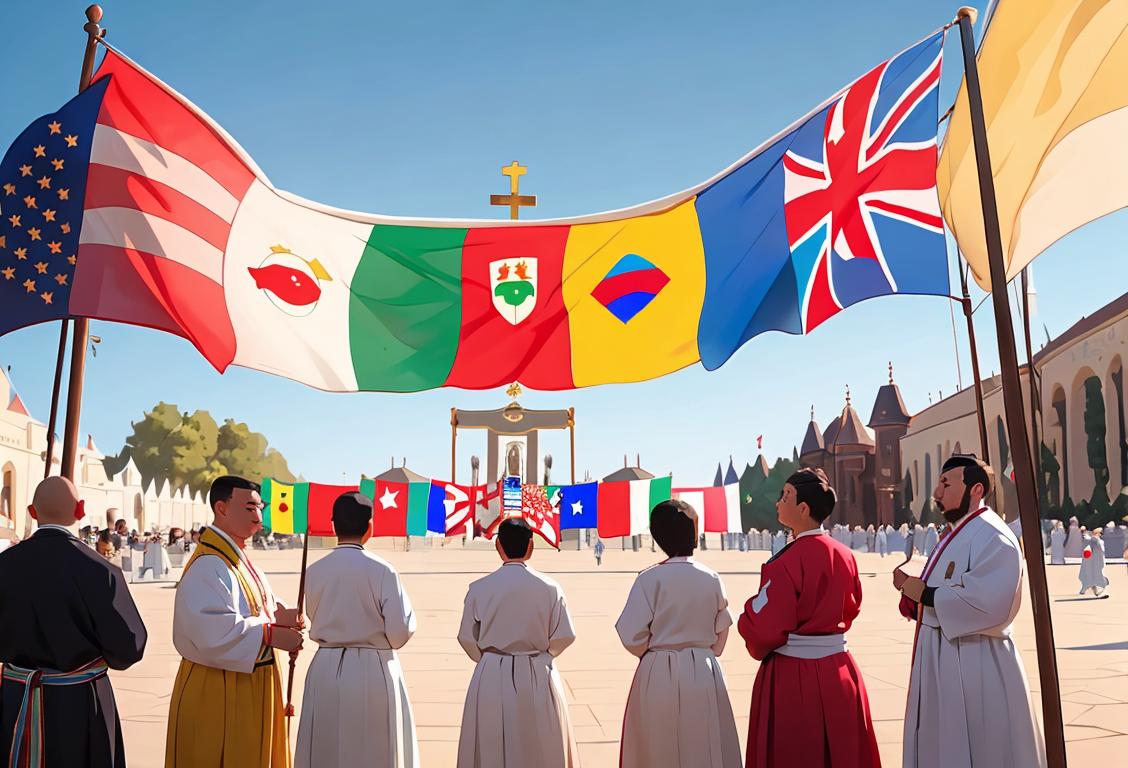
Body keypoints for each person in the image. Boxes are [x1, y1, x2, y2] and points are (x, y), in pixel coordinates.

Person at [894, 454, 1045, 768]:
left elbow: (990, 602)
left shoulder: (994, 536)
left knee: (980, 748)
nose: (936, 494)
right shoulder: (959, 533)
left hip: (977, 662)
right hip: (944, 658)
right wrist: (914, 593)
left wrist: (922, 592)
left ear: (976, 490)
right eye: (938, 484)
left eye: (946, 484)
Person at [0, 476, 147, 767]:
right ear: (80, 510)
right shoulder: (101, 570)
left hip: (16, 700)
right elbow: (129, 647)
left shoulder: (4, 565)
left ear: (32, 512)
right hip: (81, 702)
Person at [739, 468, 880, 768]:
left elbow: (765, 628)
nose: (779, 502)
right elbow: (852, 608)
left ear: (803, 509)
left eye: (786, 495)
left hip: (793, 676)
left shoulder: (787, 561)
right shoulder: (845, 554)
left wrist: (746, 616)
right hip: (840, 671)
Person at [165, 476, 304, 768]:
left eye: (260, 508)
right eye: (249, 508)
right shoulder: (210, 564)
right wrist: (269, 634)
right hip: (220, 690)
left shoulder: (236, 558)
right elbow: (211, 632)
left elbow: (257, 608)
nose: (258, 517)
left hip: (249, 683)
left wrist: (283, 617)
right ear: (222, 508)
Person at [296, 492, 419, 768]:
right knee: (374, 751)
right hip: (373, 667)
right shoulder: (383, 570)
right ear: (370, 527)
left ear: (332, 526)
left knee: (325, 748)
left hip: (325, 666)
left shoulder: (314, 571)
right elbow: (399, 633)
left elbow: (312, 615)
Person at [615, 499, 741, 767]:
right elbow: (722, 629)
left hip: (658, 668)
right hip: (705, 669)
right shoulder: (712, 577)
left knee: (657, 747)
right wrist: (704, 651)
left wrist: (652, 652)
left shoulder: (648, 579)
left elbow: (630, 634)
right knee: (705, 747)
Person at [456, 518, 577, 768]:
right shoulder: (550, 588)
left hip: (491, 671)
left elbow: (466, 637)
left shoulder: (479, 588)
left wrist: (488, 658)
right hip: (538, 668)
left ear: (498, 545)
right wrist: (543, 653)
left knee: (490, 744)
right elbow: (565, 635)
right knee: (542, 742)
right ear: (531, 546)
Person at [1078, 530, 1109, 597]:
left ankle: (1090, 589)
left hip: (1095, 563)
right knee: (1096, 576)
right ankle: (1098, 592)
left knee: (1092, 576)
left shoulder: (1091, 541)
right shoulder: (1093, 541)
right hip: (1095, 563)